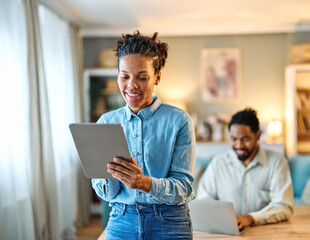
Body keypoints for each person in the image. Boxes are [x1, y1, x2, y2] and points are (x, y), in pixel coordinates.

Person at [92, 31, 196, 240]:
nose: (132, 85)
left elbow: (185, 188)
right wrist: (111, 175)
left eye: (142, 77)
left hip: (170, 222)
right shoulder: (105, 123)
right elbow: (106, 193)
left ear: (157, 77)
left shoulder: (179, 121)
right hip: (121, 219)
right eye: (125, 76)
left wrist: (144, 183)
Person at [196, 108, 293, 230]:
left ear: (258, 135)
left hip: (265, 231)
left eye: (245, 139)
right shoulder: (218, 163)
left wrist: (251, 218)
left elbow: (284, 206)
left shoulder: (277, 162)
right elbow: (203, 199)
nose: (239, 145)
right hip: (226, 232)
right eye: (234, 139)